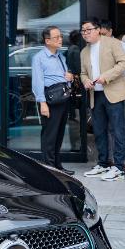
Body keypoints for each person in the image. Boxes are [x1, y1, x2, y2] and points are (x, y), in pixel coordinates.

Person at [80, 21, 125, 181]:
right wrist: (85, 81)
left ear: (98, 30)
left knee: (117, 131)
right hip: (95, 95)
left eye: (88, 30)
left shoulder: (113, 43)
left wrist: (106, 77)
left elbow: (124, 64)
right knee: (99, 131)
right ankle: (103, 164)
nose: (85, 33)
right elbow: (83, 73)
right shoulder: (84, 51)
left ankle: (119, 167)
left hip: (113, 93)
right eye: (83, 31)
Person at [32, 27, 75, 174]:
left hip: (63, 98)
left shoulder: (61, 56)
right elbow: (37, 82)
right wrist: (42, 103)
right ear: (47, 40)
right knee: (50, 136)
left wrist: (71, 77)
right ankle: (50, 170)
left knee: (59, 134)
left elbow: (65, 76)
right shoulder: (39, 58)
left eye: (61, 36)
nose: (60, 39)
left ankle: (58, 166)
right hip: (50, 101)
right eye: (56, 37)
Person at [97, 20, 125, 175]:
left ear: (110, 31)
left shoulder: (120, 45)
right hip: (98, 92)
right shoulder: (94, 47)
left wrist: (109, 73)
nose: (101, 37)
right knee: (101, 129)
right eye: (99, 34)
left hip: (116, 91)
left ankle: (119, 163)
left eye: (104, 34)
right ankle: (105, 161)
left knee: (117, 129)